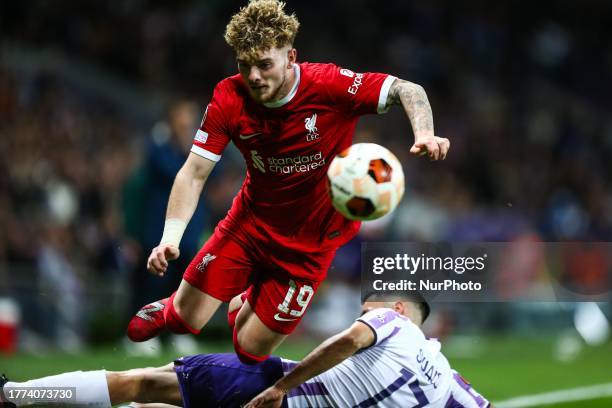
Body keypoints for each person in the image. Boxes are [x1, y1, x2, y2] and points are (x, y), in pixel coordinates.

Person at [127, 0, 451, 365]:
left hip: (310, 245)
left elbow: (406, 89)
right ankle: (171, 307)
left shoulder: (329, 85)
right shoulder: (228, 97)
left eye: (264, 65)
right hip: (250, 224)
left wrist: (425, 133)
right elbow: (193, 171)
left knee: (250, 352)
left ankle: (246, 301)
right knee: (185, 321)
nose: (253, 77)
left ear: (290, 57)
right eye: (244, 65)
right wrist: (170, 238)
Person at [1, 295, 490, 407]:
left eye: (375, 300)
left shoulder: (393, 324)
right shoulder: (445, 377)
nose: (366, 304)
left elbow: (344, 342)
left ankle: (16, 396)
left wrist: (281, 385)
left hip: (268, 389)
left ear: (400, 309)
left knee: (142, 383)